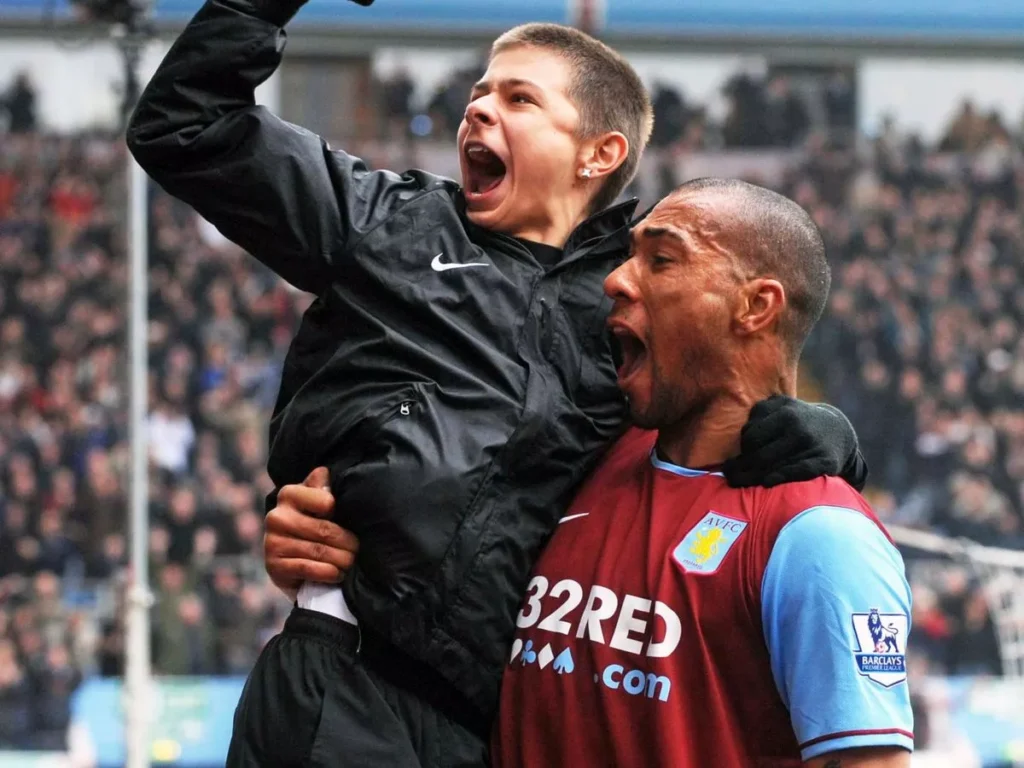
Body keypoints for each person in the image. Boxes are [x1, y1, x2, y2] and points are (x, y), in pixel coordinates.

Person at [128, 0, 867, 763]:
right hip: (347, 680)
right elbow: (186, 127)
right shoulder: (390, 223)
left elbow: (710, 413)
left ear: (598, 153)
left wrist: (819, 436)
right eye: (479, 93)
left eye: (519, 98)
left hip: (499, 725)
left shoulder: (630, 300)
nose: (479, 108)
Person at [493, 179, 914, 766]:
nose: (616, 280)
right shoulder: (584, 450)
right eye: (628, 256)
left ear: (755, 306)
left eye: (662, 260)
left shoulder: (821, 536)